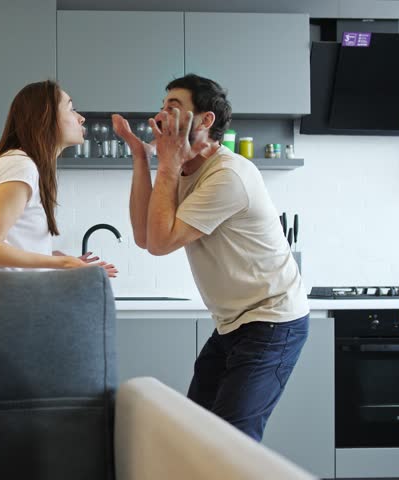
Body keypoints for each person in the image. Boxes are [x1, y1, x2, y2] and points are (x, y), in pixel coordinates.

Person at [112, 74, 309, 441]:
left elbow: (160, 242)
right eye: (162, 107)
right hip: (235, 323)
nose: (161, 117)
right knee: (199, 434)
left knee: (233, 441)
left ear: (205, 121)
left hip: (272, 320)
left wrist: (167, 164)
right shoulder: (185, 169)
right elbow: (144, 236)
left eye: (174, 109)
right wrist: (142, 157)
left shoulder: (228, 175)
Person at [0, 80, 117, 277]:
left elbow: (7, 246)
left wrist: (54, 258)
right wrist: (65, 263)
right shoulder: (20, 167)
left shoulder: (18, 164)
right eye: (72, 109)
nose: (80, 118)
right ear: (45, 117)